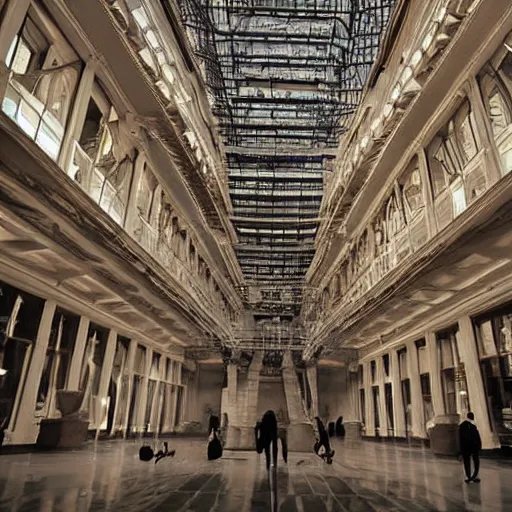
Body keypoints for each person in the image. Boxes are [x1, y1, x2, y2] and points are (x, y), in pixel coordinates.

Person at [459, 412, 482, 483]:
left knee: (466, 462)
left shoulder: (461, 426)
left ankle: (468, 476)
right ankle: (474, 476)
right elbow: (477, 437)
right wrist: (479, 446)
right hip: (473, 447)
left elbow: (460, 437)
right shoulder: (473, 425)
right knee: (475, 462)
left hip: (465, 447)